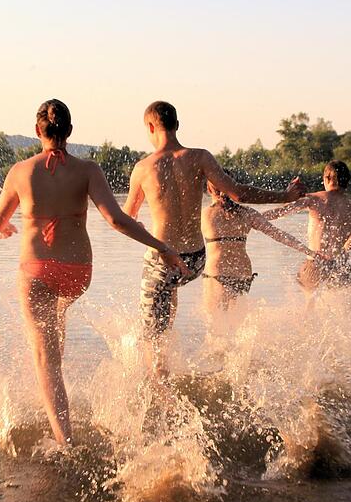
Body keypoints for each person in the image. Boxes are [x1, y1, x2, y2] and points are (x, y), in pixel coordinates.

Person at [0, 99, 187, 446]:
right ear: (70, 131)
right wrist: (162, 247)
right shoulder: (88, 170)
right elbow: (116, 219)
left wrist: (6, 228)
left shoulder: (21, 172)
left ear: (37, 131)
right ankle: (56, 352)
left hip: (36, 270)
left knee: (45, 359)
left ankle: (65, 442)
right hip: (78, 273)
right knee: (55, 316)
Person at [124, 101, 307, 364]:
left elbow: (127, 217)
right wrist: (285, 196)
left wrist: (143, 231)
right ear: (177, 125)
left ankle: (159, 379)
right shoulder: (200, 157)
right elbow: (239, 193)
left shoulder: (143, 168)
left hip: (164, 261)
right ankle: (171, 351)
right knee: (168, 301)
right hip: (196, 260)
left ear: (150, 127)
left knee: (152, 340)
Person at [201, 176, 319, 311]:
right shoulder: (247, 213)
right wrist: (310, 253)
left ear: (209, 189)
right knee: (237, 320)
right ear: (234, 186)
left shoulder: (204, 214)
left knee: (215, 320)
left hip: (217, 271)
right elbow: (279, 235)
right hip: (243, 272)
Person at [264, 160, 351, 291]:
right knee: (343, 303)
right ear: (347, 181)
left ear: (327, 178)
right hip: (340, 266)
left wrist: (252, 217)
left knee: (307, 301)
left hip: (316, 263)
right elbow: (350, 242)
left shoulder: (315, 199)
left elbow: (280, 212)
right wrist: (340, 263)